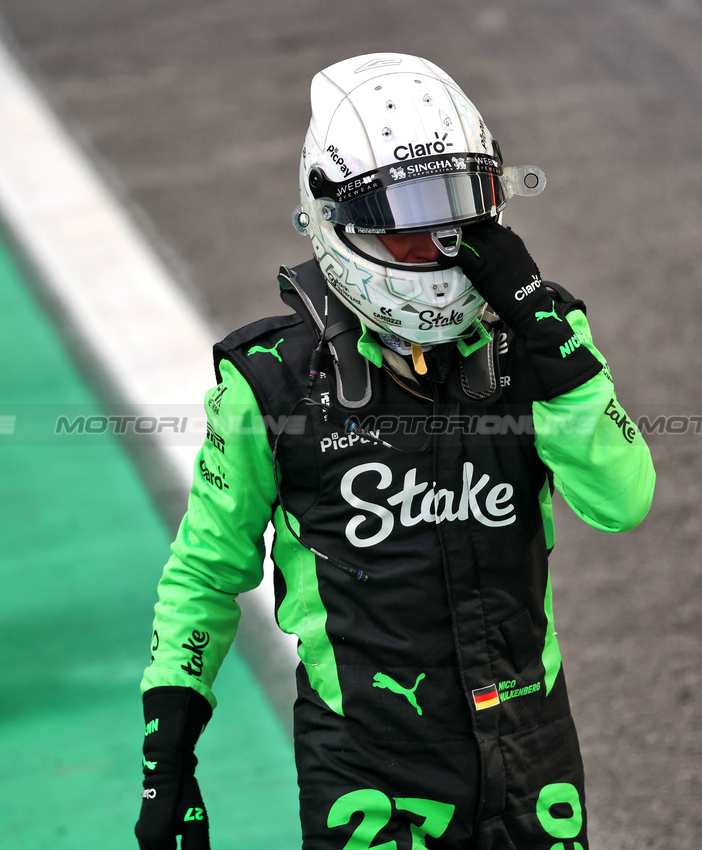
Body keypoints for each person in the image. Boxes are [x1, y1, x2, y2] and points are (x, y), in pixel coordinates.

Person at [136, 52, 655, 850]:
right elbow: (206, 569)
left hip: (531, 742)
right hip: (369, 768)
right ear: (338, 220)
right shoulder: (269, 384)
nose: (440, 249)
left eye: (461, 214)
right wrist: (167, 759)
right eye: (408, 224)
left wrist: (555, 353)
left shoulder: (542, 343)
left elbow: (622, 503)